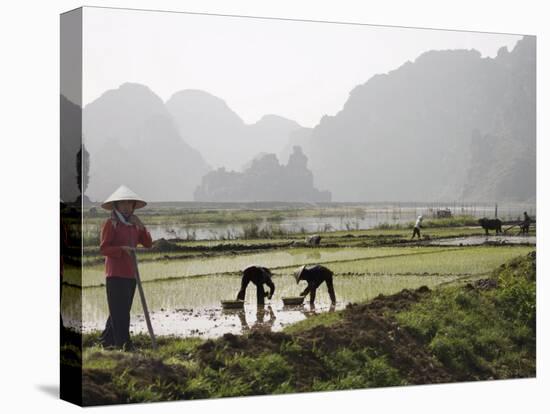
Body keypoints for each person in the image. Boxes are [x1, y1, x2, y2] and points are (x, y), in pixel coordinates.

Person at [98, 185, 153, 350]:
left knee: (120, 310)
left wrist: (142, 226)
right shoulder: (111, 224)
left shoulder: (133, 224)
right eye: (123, 204)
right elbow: (103, 248)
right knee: (120, 312)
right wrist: (122, 250)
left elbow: (148, 244)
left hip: (131, 273)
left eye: (129, 204)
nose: (127, 207)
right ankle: (124, 344)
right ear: (116, 206)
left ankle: (106, 341)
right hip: (115, 274)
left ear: (134, 206)